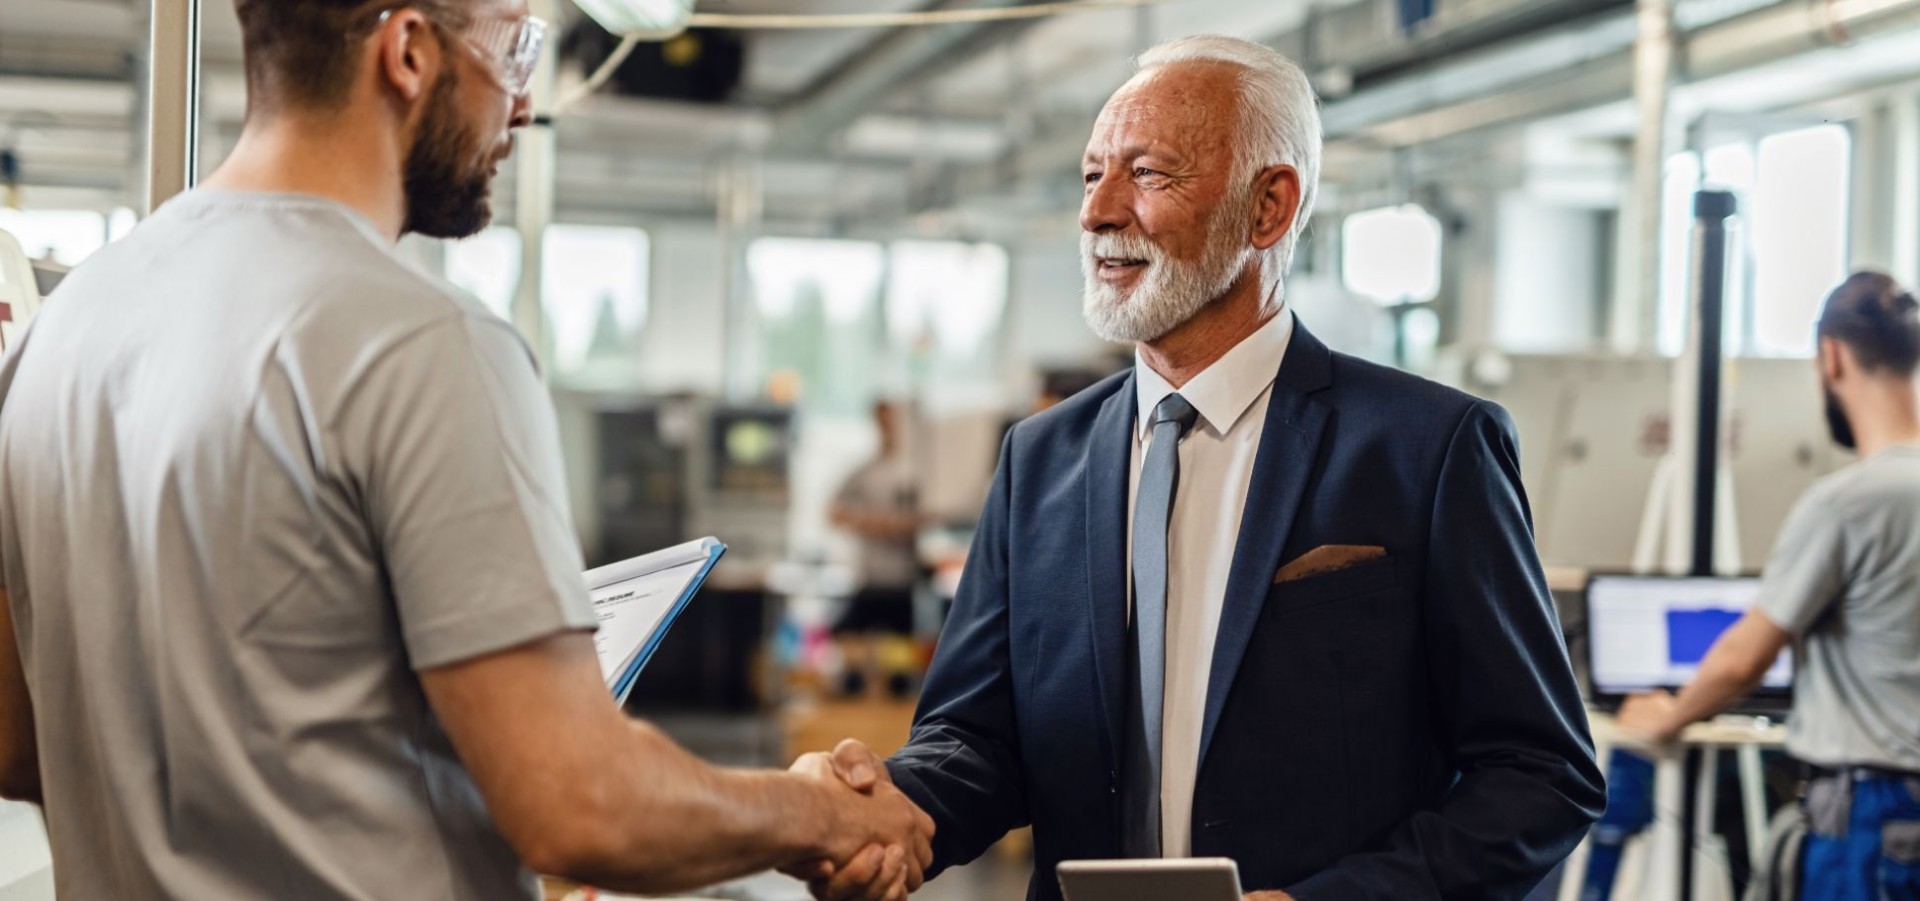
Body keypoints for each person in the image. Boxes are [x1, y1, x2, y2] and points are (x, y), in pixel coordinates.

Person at [0, 2, 930, 899]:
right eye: (516, 48)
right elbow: (582, 803)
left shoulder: (64, 327)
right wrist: (816, 812)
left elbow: (14, 738)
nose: (523, 101)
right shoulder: (418, 341)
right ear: (408, 52)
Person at [803, 34, 1605, 901]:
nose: (1098, 211)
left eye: (1147, 174)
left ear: (1268, 209)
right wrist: (896, 811)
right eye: (1090, 175)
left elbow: (1539, 772)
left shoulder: (1428, 449)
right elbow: (978, 734)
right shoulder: (1042, 459)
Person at [1619, 272, 1920, 899]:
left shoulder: (1850, 502)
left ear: (1831, 357)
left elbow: (1746, 655)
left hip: (1876, 814)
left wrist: (1669, 713)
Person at [830, 401, 924, 635]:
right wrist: (870, 523)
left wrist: (897, 526)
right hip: (869, 578)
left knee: (901, 659)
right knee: (846, 642)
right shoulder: (866, 471)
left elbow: (925, 520)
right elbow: (833, 513)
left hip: (902, 582)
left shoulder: (914, 472)